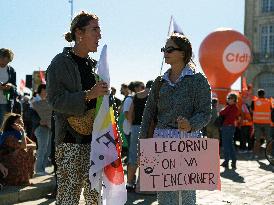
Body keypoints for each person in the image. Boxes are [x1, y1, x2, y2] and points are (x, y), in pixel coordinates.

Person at [139, 33, 211, 205]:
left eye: (170, 49)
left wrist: (190, 124)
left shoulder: (198, 80)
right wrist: (142, 144)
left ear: (183, 53)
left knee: (186, 194)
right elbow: (148, 114)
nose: (165, 52)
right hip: (161, 141)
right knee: (165, 195)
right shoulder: (159, 82)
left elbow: (205, 113)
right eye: (164, 49)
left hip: (187, 140)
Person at [47, 11, 107, 205]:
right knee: (68, 199)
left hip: (96, 142)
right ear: (79, 33)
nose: (100, 35)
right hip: (69, 143)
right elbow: (55, 100)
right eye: (95, 29)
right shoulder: (60, 62)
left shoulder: (95, 66)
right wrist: (89, 94)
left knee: (95, 198)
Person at [0, 113, 35, 185]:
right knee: (22, 151)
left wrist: (23, 138)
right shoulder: (8, 136)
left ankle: (25, 178)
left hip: (15, 159)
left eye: (22, 121)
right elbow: (23, 147)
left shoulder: (20, 134)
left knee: (28, 151)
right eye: (19, 122)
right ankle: (19, 180)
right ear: (12, 125)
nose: (22, 123)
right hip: (6, 162)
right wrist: (22, 133)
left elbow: (34, 145)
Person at [126, 81, 146, 191]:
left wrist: (133, 125)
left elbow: (129, 115)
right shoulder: (153, 96)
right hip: (148, 129)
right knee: (147, 157)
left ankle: (129, 183)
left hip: (135, 127)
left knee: (133, 156)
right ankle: (144, 185)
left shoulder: (136, 96)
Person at [32, 84, 52, 175]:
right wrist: (39, 121)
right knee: (42, 149)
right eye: (44, 89)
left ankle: (42, 169)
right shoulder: (33, 101)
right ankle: (39, 170)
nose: (46, 91)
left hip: (48, 127)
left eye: (47, 90)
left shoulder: (47, 101)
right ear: (40, 90)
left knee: (47, 150)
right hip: (39, 128)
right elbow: (29, 115)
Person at [219, 93, 239, 169]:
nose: (228, 100)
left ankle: (226, 161)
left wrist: (223, 109)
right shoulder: (235, 107)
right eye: (228, 98)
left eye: (229, 98)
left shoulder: (230, 107)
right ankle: (233, 161)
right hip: (231, 127)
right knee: (230, 145)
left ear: (233, 99)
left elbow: (221, 112)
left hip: (227, 127)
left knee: (226, 145)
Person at [251, 89, 272, 158]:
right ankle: (269, 155)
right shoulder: (269, 101)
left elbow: (251, 111)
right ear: (264, 94)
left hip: (257, 123)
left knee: (257, 139)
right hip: (267, 123)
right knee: (268, 139)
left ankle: (255, 155)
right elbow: (271, 110)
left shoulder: (254, 102)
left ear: (258, 94)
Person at [0, 48, 16, 125]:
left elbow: (15, 86)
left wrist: (11, 86)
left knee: (4, 125)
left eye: (7, 61)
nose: (5, 63)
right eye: (3, 60)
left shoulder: (11, 70)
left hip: (5, 101)